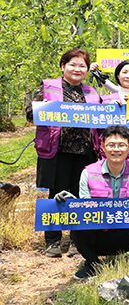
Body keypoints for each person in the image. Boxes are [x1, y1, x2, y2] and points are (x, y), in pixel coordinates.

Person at [56, 125, 129, 280]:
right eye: (111, 145)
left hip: (127, 233)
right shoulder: (88, 172)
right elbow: (84, 208)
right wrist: (71, 203)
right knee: (77, 225)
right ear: (102, 147)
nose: (116, 150)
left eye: (121, 145)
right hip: (99, 235)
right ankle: (92, 264)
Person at [26, 49, 100, 258]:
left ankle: (77, 240)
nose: (77, 69)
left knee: (82, 194)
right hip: (56, 150)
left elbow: (101, 117)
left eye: (82, 66)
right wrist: (51, 108)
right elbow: (31, 114)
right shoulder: (49, 86)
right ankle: (53, 241)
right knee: (57, 193)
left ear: (87, 70)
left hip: (85, 151)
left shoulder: (92, 93)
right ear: (63, 66)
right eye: (73, 64)